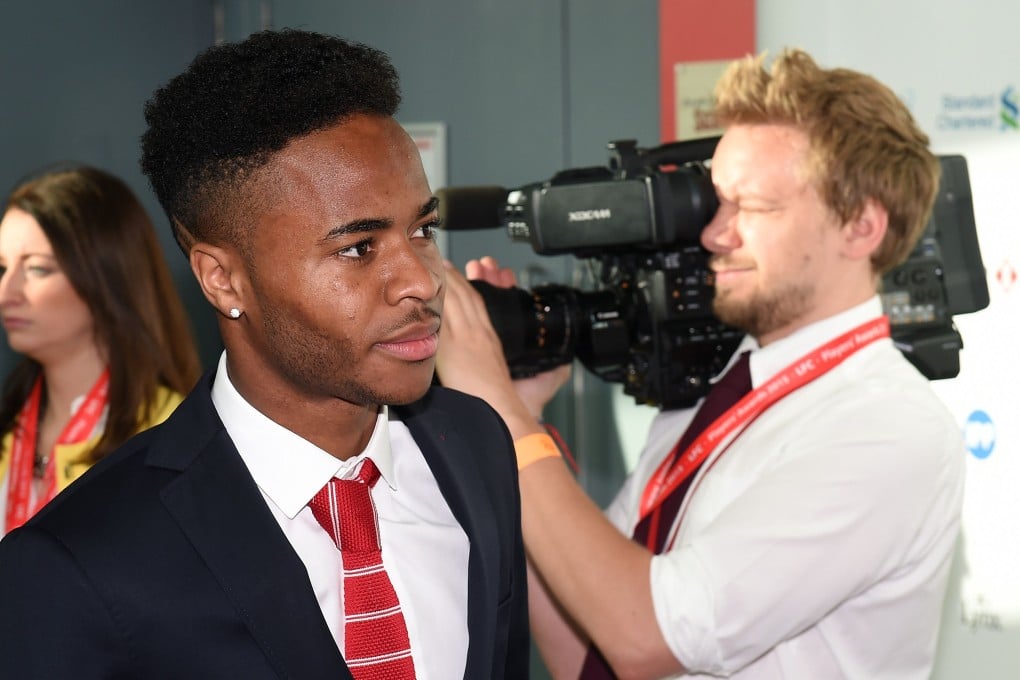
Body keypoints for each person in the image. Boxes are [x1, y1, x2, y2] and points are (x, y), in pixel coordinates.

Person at [0, 29, 528, 680]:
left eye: (422, 229)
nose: (422, 280)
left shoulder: (476, 448)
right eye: (358, 248)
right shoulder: (80, 560)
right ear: (223, 280)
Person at [437, 48, 965, 679]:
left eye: (755, 207)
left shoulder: (886, 429)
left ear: (860, 228)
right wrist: (516, 418)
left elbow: (643, 635)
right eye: (718, 203)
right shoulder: (726, 387)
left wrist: (496, 402)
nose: (716, 234)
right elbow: (588, 645)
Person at [0, 165, 200, 538]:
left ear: (107, 276)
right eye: (2, 269)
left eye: (38, 269)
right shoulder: (10, 427)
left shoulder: (172, 434)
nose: (7, 293)